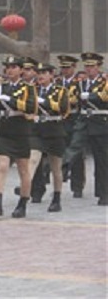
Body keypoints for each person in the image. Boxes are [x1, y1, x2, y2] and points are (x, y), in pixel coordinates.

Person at [0, 56, 38, 218]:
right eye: (8, 67)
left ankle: (22, 203)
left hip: (20, 129)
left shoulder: (28, 88)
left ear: (21, 70)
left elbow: (31, 107)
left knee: (23, 170)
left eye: (14, 67)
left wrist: (12, 101)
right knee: (1, 165)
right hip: (4, 129)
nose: (10, 70)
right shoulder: (0, 88)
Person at [64, 53, 108, 206]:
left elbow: (105, 96)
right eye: (87, 66)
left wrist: (89, 96)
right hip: (83, 121)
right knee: (73, 148)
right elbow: (72, 98)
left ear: (98, 67)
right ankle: (64, 169)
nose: (89, 69)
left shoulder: (105, 81)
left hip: (100, 122)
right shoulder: (80, 82)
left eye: (92, 66)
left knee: (101, 160)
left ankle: (103, 193)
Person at [29, 63, 69, 212]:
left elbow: (63, 107)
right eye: (39, 72)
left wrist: (44, 102)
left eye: (44, 72)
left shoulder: (61, 90)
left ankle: (57, 198)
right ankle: (25, 193)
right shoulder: (33, 90)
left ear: (52, 75)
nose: (41, 75)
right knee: (32, 158)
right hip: (37, 130)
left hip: (54, 129)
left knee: (55, 167)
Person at [56, 55, 85, 197]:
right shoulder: (57, 82)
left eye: (67, 67)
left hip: (74, 119)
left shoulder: (79, 83)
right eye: (63, 67)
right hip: (60, 119)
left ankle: (77, 186)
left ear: (74, 68)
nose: (65, 70)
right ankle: (58, 184)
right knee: (59, 152)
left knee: (76, 154)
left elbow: (78, 101)